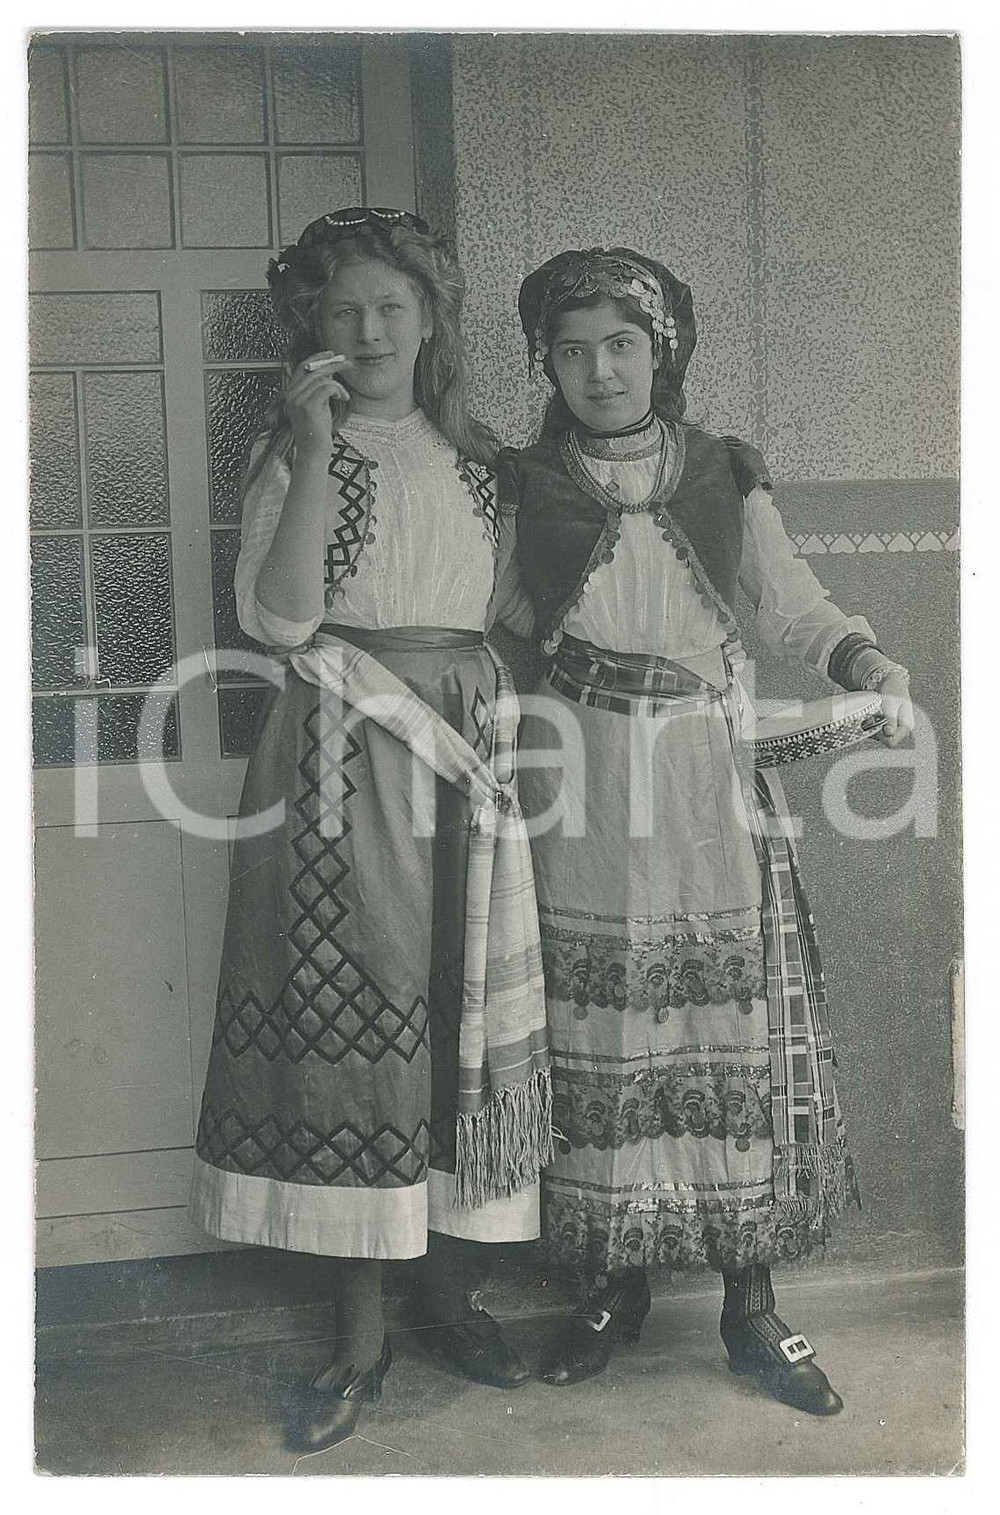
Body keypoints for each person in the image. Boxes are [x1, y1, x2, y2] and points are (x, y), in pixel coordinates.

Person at [496, 247, 913, 1416]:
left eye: (619, 346)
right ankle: (610, 1294)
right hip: (578, 781)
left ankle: (749, 1306)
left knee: (727, 1029)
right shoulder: (526, 486)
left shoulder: (722, 473)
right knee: (602, 1028)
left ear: (661, 350)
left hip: (705, 786)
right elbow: (498, 621)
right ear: (546, 361)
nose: (597, 371)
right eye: (571, 350)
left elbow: (794, 606)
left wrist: (865, 660)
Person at [188, 207, 550, 1453]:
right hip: (342, 746)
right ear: (312, 331)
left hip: (463, 738)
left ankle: (448, 1291)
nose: (370, 329)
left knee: (457, 1005)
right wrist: (302, 441)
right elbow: (283, 622)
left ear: (431, 318)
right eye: (343, 311)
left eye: (393, 306)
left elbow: (501, 608)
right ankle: (357, 1332)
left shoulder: (479, 461)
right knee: (358, 1016)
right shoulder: (294, 454)